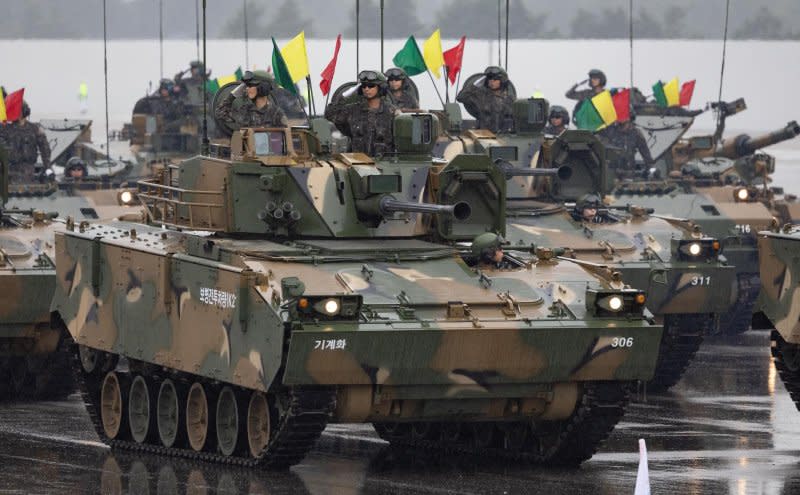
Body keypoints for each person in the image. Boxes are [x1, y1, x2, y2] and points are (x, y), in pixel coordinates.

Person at [325, 70, 397, 157]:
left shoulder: (391, 112)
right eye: (364, 86)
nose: (366, 89)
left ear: (380, 87)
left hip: (385, 165)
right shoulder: (353, 110)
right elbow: (330, 114)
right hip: (358, 163)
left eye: (371, 86)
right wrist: (344, 96)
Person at [215, 70, 288, 131]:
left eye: (250, 85)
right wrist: (233, 95)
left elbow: (284, 140)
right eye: (246, 86)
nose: (246, 88)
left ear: (263, 87)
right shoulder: (244, 111)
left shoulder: (276, 114)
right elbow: (220, 113)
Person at [456, 66, 515, 133]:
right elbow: (461, 97)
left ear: (502, 81)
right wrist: (475, 85)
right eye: (489, 78)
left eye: (495, 79)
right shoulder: (481, 97)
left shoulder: (509, 100)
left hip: (504, 137)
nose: (492, 81)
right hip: (484, 135)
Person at [3, 102, 50, 183]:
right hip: (11, 169)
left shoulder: (34, 129)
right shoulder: (6, 129)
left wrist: (47, 167)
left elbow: (44, 148)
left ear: (25, 111)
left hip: (28, 170)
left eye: (18, 110)